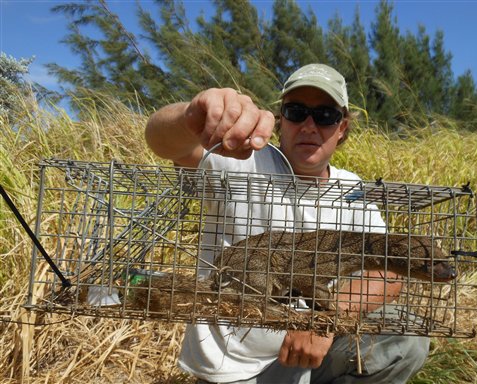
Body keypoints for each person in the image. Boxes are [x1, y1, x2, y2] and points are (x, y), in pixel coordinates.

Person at [145, 64, 429, 384]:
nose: (309, 125)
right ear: (281, 121)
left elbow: (387, 271)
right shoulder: (242, 159)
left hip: (310, 361)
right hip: (231, 371)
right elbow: (164, 143)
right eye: (297, 112)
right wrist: (192, 116)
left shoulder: (352, 190)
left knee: (406, 337)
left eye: (325, 116)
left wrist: (325, 321)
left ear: (342, 128)